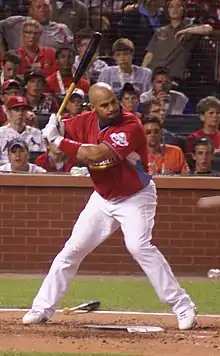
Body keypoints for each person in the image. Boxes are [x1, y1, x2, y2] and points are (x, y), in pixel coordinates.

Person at [22, 82, 196, 330]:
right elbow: (59, 139)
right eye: (104, 105)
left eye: (113, 101)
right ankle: (41, 308)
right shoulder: (85, 121)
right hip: (103, 198)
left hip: (135, 196)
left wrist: (58, 140)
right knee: (72, 250)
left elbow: (96, 155)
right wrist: (52, 127)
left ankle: (182, 305)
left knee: (138, 246)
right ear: (93, 108)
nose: (112, 107)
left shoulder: (130, 125)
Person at [0, 0, 74, 53]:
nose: (43, 10)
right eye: (39, 7)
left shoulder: (62, 29)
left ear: (51, 8)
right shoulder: (15, 23)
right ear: (31, 10)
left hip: (51, 70)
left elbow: (71, 54)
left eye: (46, 6)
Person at [0, 95, 45, 162]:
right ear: (9, 112)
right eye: (16, 110)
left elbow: (43, 158)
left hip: (32, 171)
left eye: (23, 110)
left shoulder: (37, 133)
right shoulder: (1, 133)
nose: (20, 113)